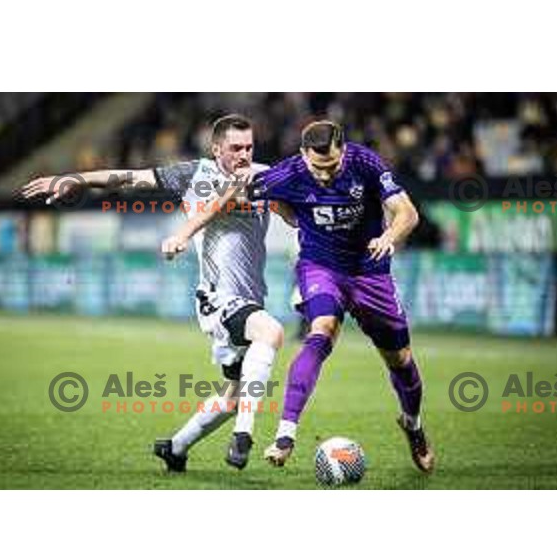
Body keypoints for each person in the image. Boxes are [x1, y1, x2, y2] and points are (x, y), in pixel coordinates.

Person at [20, 114, 285, 471]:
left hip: (250, 296)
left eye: (249, 147)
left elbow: (299, 214)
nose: (244, 154)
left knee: (237, 395)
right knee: (271, 332)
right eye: (236, 148)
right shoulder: (196, 175)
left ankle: (175, 448)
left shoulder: (265, 176)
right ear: (216, 148)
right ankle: (244, 435)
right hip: (218, 297)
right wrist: (78, 179)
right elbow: (130, 177)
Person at [175, 120, 435, 473]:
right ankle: (286, 434)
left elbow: (407, 212)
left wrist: (389, 236)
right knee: (321, 331)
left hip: (370, 270)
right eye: (317, 168)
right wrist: (185, 233)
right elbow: (227, 196)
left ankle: (413, 424)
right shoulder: (288, 173)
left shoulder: (366, 163)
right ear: (302, 155)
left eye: (332, 167)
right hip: (320, 267)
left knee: (400, 359)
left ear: (343, 152)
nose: (325, 176)